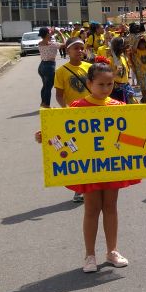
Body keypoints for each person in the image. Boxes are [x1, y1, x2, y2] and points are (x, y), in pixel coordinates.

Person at [35, 57, 140, 273]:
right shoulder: (77, 107)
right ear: (89, 83)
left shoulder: (119, 107)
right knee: (91, 209)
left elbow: (128, 137)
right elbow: (62, 134)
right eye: (100, 84)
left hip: (111, 166)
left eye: (109, 84)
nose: (105, 88)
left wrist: (145, 130)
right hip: (89, 168)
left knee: (111, 208)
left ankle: (112, 251)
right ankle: (89, 255)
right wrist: (44, 136)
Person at [53, 38, 92, 203]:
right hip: (75, 119)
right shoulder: (61, 71)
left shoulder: (90, 68)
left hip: (93, 116)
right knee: (78, 154)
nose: (80, 51)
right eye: (76, 48)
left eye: (82, 48)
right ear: (67, 51)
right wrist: (66, 111)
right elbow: (59, 95)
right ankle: (79, 189)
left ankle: (95, 186)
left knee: (94, 152)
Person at [36, 27, 60, 108]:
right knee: (48, 87)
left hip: (42, 66)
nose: (51, 33)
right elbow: (65, 44)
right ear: (47, 34)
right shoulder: (53, 44)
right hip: (49, 66)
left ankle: (43, 102)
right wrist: (60, 34)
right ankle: (46, 104)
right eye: (49, 32)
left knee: (45, 86)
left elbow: (47, 40)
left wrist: (51, 34)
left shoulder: (40, 43)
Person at [109, 36, 134, 104]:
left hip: (126, 87)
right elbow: (107, 77)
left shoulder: (123, 58)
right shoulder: (110, 60)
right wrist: (116, 72)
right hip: (116, 90)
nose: (127, 49)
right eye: (125, 47)